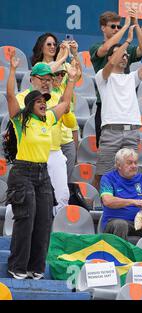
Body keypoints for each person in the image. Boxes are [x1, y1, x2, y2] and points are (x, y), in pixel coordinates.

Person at [5, 50, 76, 280]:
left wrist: (72, 81)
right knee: (26, 218)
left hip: (42, 173)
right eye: (38, 102)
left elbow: (65, 103)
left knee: (44, 219)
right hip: (22, 172)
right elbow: (9, 97)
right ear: (29, 106)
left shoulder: (48, 119)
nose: (44, 104)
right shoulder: (21, 120)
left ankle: (36, 267)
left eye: (44, 101)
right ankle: (17, 266)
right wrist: (13, 70)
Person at [92, 22, 142, 190]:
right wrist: (127, 41)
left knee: (129, 174)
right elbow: (111, 63)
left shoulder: (132, 77)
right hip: (110, 131)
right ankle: (98, 207)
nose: (125, 56)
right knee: (103, 174)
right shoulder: (102, 77)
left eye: (127, 55)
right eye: (121, 54)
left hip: (131, 132)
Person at [15, 62, 79, 215]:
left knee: (62, 197)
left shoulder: (56, 96)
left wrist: (66, 110)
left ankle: (54, 235)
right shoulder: (22, 97)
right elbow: (26, 118)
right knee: (27, 200)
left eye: (49, 79)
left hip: (55, 152)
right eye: (41, 79)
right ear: (32, 79)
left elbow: (71, 123)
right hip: (31, 156)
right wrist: (55, 109)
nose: (45, 83)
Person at [90, 9, 142, 148]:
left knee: (126, 157)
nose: (116, 29)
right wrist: (126, 28)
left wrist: (136, 24)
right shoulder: (96, 47)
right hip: (105, 106)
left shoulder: (125, 50)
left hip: (124, 108)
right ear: (103, 28)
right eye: (113, 26)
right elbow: (106, 48)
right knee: (105, 153)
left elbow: (141, 50)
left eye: (118, 26)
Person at [30, 33, 81, 182]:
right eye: (49, 44)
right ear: (41, 47)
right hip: (47, 132)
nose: (53, 47)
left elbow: (78, 75)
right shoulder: (39, 67)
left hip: (68, 127)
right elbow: (48, 70)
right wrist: (62, 58)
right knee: (45, 182)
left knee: (64, 181)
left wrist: (74, 55)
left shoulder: (65, 65)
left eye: (54, 44)